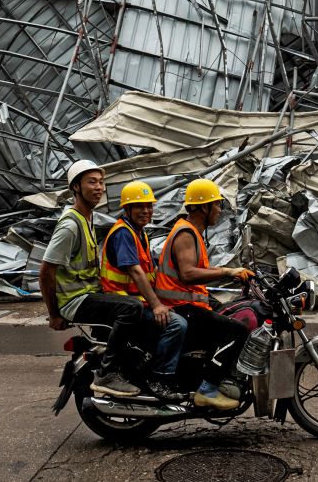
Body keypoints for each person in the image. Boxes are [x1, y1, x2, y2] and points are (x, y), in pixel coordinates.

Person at [38, 159, 148, 398]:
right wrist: (55, 314)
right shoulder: (70, 226)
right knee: (132, 309)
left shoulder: (87, 218)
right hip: (75, 301)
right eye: (92, 182)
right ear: (76, 187)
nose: (99, 188)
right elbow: (46, 271)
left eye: (101, 182)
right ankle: (108, 373)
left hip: (88, 294)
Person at [154, 178, 253, 410]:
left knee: (231, 315)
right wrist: (229, 271)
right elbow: (188, 274)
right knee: (238, 331)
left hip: (188, 304)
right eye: (216, 205)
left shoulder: (193, 233)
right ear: (201, 207)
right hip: (180, 307)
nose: (219, 210)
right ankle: (208, 388)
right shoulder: (186, 234)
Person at [99, 180, 188, 402]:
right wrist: (158, 305)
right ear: (127, 209)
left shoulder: (140, 234)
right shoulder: (123, 234)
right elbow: (136, 272)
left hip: (137, 302)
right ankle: (159, 378)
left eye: (149, 206)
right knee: (177, 325)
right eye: (139, 206)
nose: (146, 211)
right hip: (125, 304)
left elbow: (152, 273)